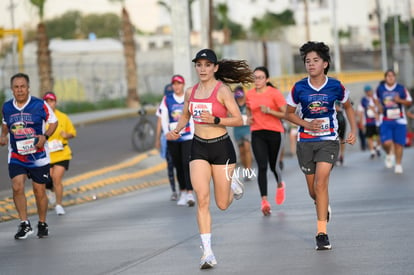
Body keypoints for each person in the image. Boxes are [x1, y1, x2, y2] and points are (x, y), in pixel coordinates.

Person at [166, 48, 252, 269]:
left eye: (207, 65)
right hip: (199, 148)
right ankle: (207, 252)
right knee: (202, 198)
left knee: (222, 204)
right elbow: (185, 115)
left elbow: (238, 119)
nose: (202, 69)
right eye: (199, 65)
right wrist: (176, 130)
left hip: (222, 148)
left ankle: (232, 185)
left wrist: (215, 119)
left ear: (215, 68)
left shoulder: (222, 90)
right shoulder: (190, 92)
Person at [285, 41, 357, 251]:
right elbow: (288, 113)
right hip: (305, 142)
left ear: (325, 63)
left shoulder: (336, 86)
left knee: (321, 183)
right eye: (307, 61)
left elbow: (348, 107)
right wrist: (306, 123)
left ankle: (321, 233)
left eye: (316, 60)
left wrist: (352, 130)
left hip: (329, 140)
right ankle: (322, 205)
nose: (311, 64)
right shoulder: (299, 87)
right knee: (313, 191)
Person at [0, 72, 58, 239]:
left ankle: (42, 223)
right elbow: (5, 124)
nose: (20, 90)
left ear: (28, 88)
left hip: (38, 156)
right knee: (17, 186)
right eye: (16, 87)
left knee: (38, 190)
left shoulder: (40, 105)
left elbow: (53, 122)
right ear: (12, 89)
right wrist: (3, 136)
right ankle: (24, 224)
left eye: (22, 87)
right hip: (17, 155)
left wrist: (45, 136)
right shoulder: (7, 107)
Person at [245, 66, 287, 216]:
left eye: (260, 77)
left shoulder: (274, 93)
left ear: (267, 79)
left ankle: (280, 184)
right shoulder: (249, 94)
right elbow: (249, 111)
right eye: (255, 77)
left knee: (274, 166)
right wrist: (249, 118)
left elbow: (286, 114)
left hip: (275, 132)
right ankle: (264, 201)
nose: (257, 80)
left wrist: (270, 111)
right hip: (257, 133)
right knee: (262, 166)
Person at [156, 74, 195, 207]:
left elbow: (193, 117)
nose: (177, 86)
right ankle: (182, 191)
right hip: (173, 137)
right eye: (174, 84)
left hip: (187, 136)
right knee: (177, 165)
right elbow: (164, 118)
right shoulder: (167, 99)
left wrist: (194, 134)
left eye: (179, 83)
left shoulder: (188, 98)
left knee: (186, 163)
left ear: (183, 85)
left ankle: (190, 192)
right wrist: (167, 133)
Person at [42, 91, 77, 215]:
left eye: (52, 101)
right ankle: (50, 190)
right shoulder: (41, 118)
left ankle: (59, 205)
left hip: (61, 153)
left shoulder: (63, 117)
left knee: (57, 178)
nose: (49, 103)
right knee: (48, 179)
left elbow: (72, 132)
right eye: (47, 101)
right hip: (47, 154)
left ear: (55, 103)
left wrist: (66, 135)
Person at [375, 69, 412, 173]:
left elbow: (409, 102)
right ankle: (389, 154)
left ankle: (398, 164)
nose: (390, 77)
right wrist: (379, 107)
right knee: (386, 143)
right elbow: (375, 99)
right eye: (388, 76)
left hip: (399, 120)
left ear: (395, 77)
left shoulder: (401, 89)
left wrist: (399, 100)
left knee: (398, 144)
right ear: (385, 78)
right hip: (386, 120)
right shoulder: (380, 89)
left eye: (392, 76)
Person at [156, 83, 177, 201]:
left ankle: (185, 189)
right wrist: (158, 138)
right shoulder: (163, 104)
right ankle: (174, 190)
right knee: (170, 165)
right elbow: (159, 122)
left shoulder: (178, 102)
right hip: (167, 139)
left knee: (181, 164)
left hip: (180, 137)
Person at [232, 85, 253, 181]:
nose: (239, 97)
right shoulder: (233, 105)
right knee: (241, 152)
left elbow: (252, 115)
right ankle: (245, 169)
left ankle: (248, 170)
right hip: (237, 130)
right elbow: (230, 116)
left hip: (247, 129)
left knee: (247, 148)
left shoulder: (248, 103)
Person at [357, 84, 381, 159]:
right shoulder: (364, 100)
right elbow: (360, 111)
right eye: (367, 91)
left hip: (377, 121)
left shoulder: (376, 99)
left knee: (378, 136)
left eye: (369, 91)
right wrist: (361, 122)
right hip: (368, 121)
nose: (368, 92)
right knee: (369, 137)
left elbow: (380, 108)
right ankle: (372, 152)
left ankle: (377, 147)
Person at [335, 101, 346, 166]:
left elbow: (350, 104)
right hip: (336, 118)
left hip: (340, 118)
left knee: (341, 138)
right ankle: (338, 155)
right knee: (336, 139)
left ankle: (341, 155)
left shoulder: (342, 94)